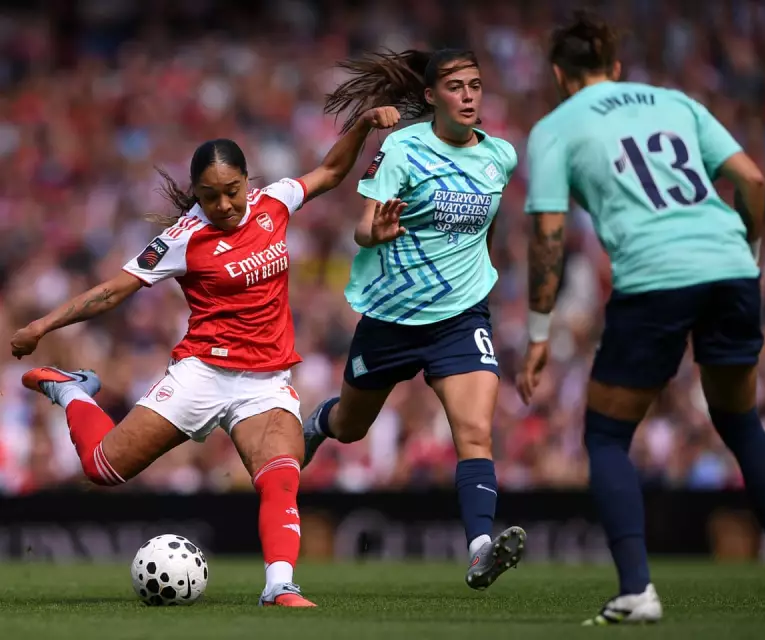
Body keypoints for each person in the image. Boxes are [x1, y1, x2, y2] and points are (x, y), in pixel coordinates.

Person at [10, 106, 400, 608]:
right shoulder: (183, 238)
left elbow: (329, 171)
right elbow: (113, 292)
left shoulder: (275, 202)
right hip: (202, 373)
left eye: (232, 190)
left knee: (282, 472)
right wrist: (43, 325)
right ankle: (69, 389)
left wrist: (363, 126)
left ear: (246, 180)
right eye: (210, 195)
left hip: (265, 381)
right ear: (196, 192)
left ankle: (280, 585)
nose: (223, 204)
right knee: (102, 469)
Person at [519, 10, 765, 625]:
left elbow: (547, 235)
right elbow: (750, 179)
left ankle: (638, 591)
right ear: (615, 68)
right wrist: (746, 255)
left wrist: (539, 333)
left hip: (654, 276)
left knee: (607, 435)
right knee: (742, 422)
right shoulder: (677, 102)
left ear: (561, 76)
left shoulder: (554, 128)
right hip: (729, 266)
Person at [303, 48, 526, 590]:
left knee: (474, 432)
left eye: (476, 85)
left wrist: (481, 270)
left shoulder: (501, 156)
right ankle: (318, 423)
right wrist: (371, 233)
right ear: (431, 97)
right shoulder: (403, 147)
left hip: (461, 316)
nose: (470, 95)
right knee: (351, 428)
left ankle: (478, 548)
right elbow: (364, 224)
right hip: (392, 316)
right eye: (457, 87)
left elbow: (485, 229)